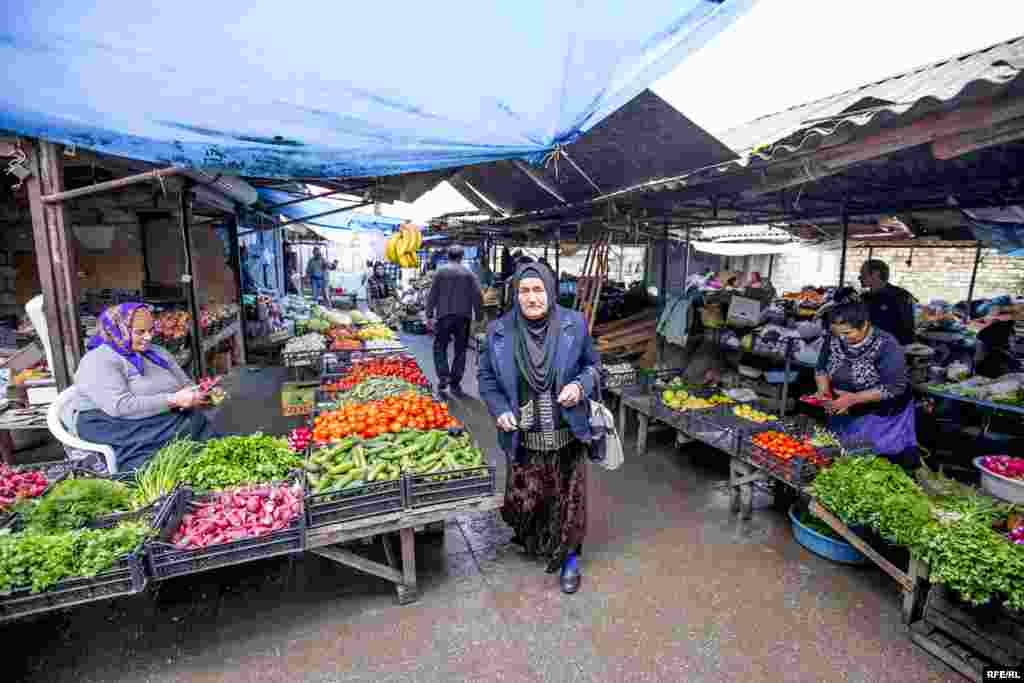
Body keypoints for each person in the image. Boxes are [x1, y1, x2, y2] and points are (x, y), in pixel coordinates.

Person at [478, 263, 599, 594]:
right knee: (532, 494)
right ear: (515, 294)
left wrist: (580, 385)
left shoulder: (574, 324)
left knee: (569, 498)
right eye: (524, 291)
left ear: (551, 290)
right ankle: (538, 538)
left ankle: (570, 557)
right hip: (525, 433)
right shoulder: (499, 331)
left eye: (538, 289)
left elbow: (593, 366)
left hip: (567, 431)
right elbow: (486, 377)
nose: (532, 298)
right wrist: (500, 409)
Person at [70, 303, 215, 471]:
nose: (148, 337)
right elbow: (121, 406)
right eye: (140, 332)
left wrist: (201, 394)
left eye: (151, 330)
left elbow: (185, 383)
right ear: (117, 329)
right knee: (160, 457)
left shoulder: (156, 352)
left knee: (195, 421)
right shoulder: (99, 360)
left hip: (155, 416)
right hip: (115, 425)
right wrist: (173, 400)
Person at [814, 288, 918, 469]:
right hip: (843, 406)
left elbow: (895, 387)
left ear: (864, 326)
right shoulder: (833, 337)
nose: (842, 339)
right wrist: (824, 391)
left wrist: (853, 399)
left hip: (879, 413)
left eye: (848, 333)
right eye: (838, 334)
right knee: (838, 453)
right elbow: (821, 368)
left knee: (866, 460)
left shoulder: (887, 345)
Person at [426, 246, 484, 395]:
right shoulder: (469, 274)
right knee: (460, 350)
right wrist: (479, 317)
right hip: (463, 318)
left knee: (440, 346)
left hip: (444, 316)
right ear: (462, 256)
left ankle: (443, 376)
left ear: (447, 255)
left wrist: (429, 315)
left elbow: (432, 294)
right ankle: (455, 382)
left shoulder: (440, 272)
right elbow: (478, 296)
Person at [859, 259, 916, 345]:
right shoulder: (864, 297)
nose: (859, 277)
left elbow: (907, 330)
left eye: (863, 273)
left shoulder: (899, 296)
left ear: (875, 274)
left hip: (891, 348)